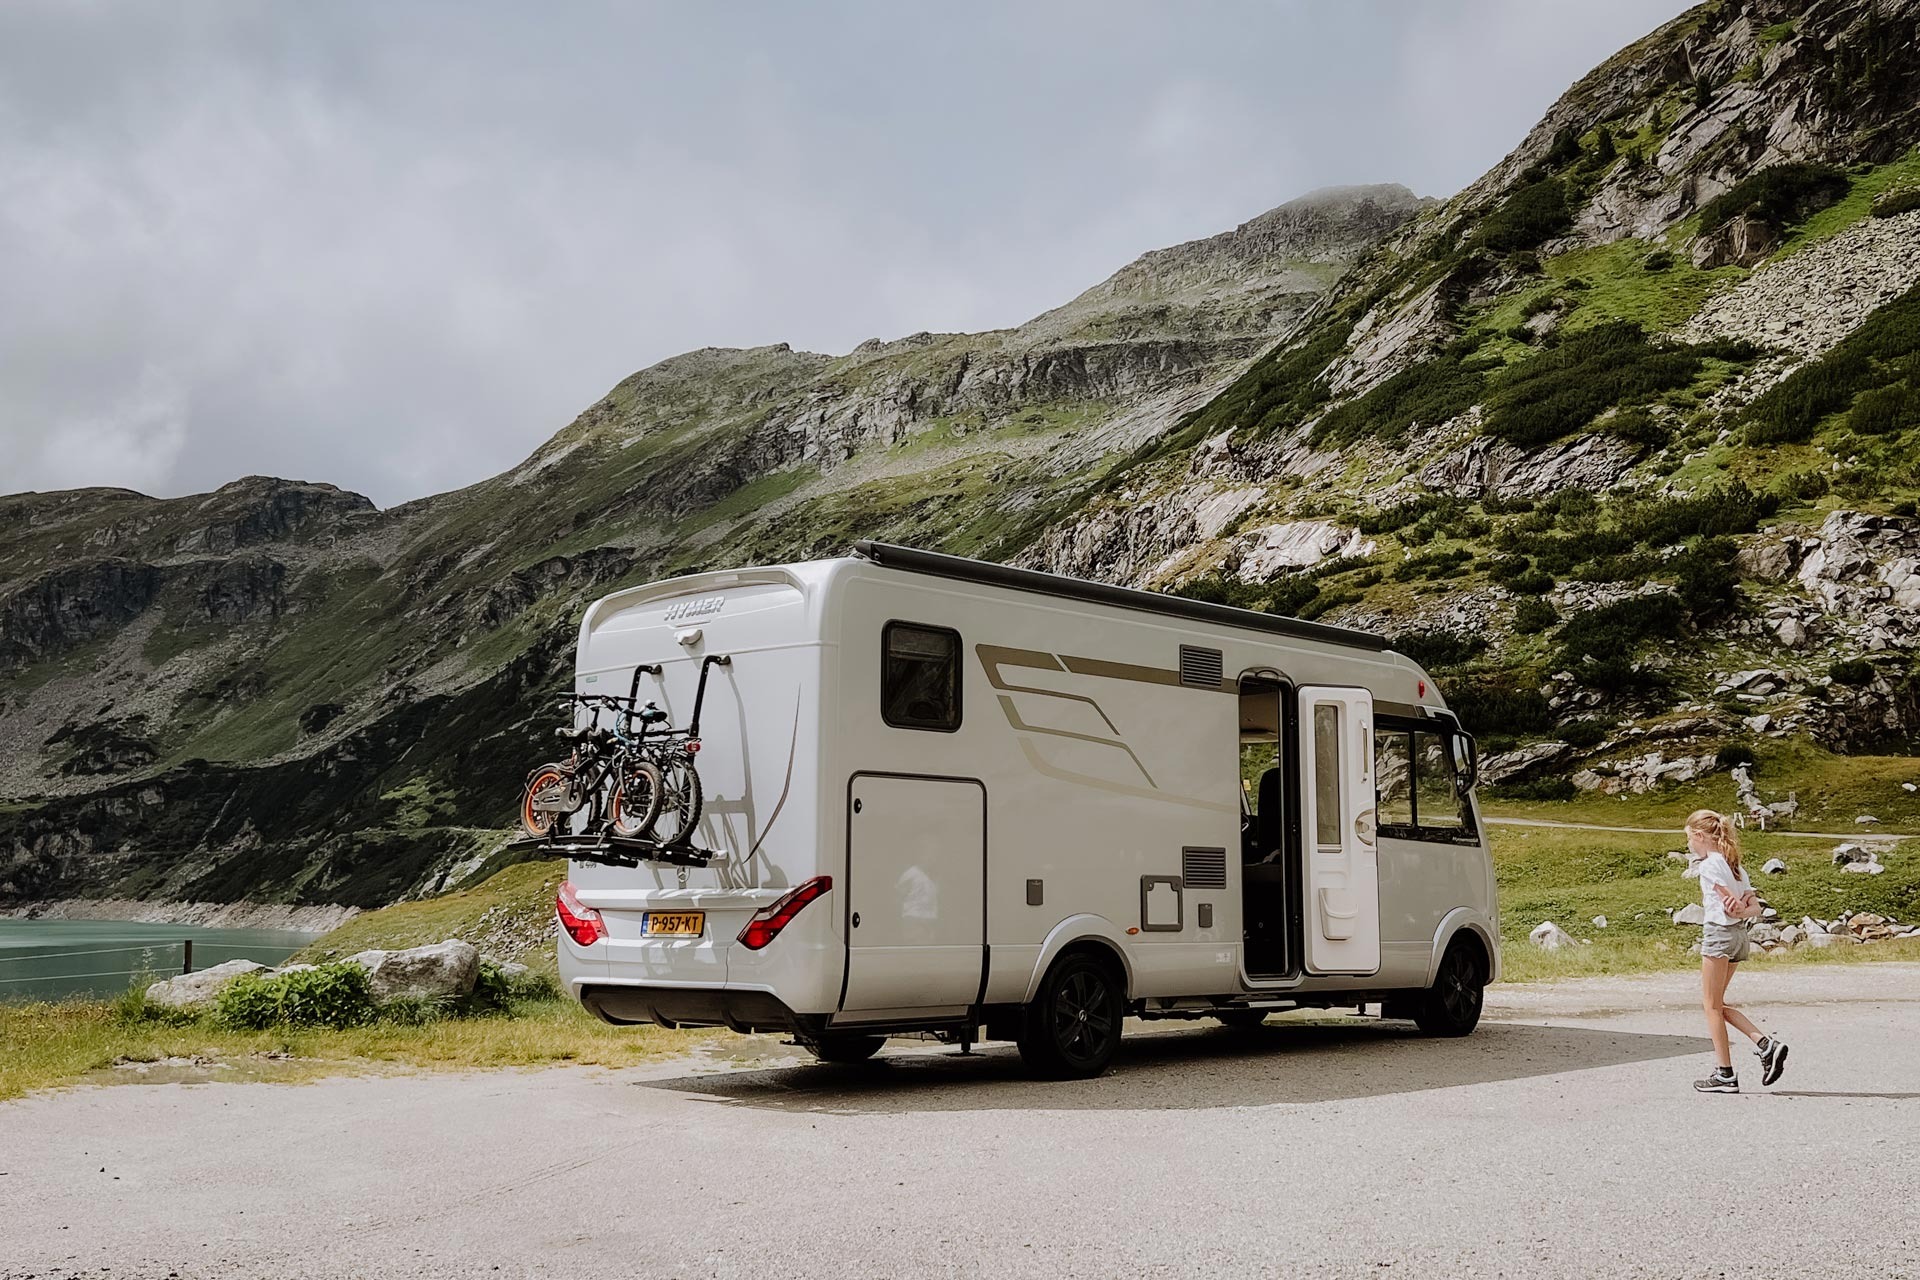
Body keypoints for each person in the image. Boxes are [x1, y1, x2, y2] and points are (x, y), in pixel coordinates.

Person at [1686, 809, 1788, 1094]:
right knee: (1717, 1003)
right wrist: (1742, 909)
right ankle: (1766, 1045)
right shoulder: (1735, 866)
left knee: (1710, 1006)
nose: (1689, 845)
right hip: (1739, 937)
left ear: (1699, 836)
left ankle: (1725, 1073)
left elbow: (1729, 902)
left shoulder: (1709, 865)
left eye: (1689, 839)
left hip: (1719, 934)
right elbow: (1753, 907)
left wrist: (1736, 906)